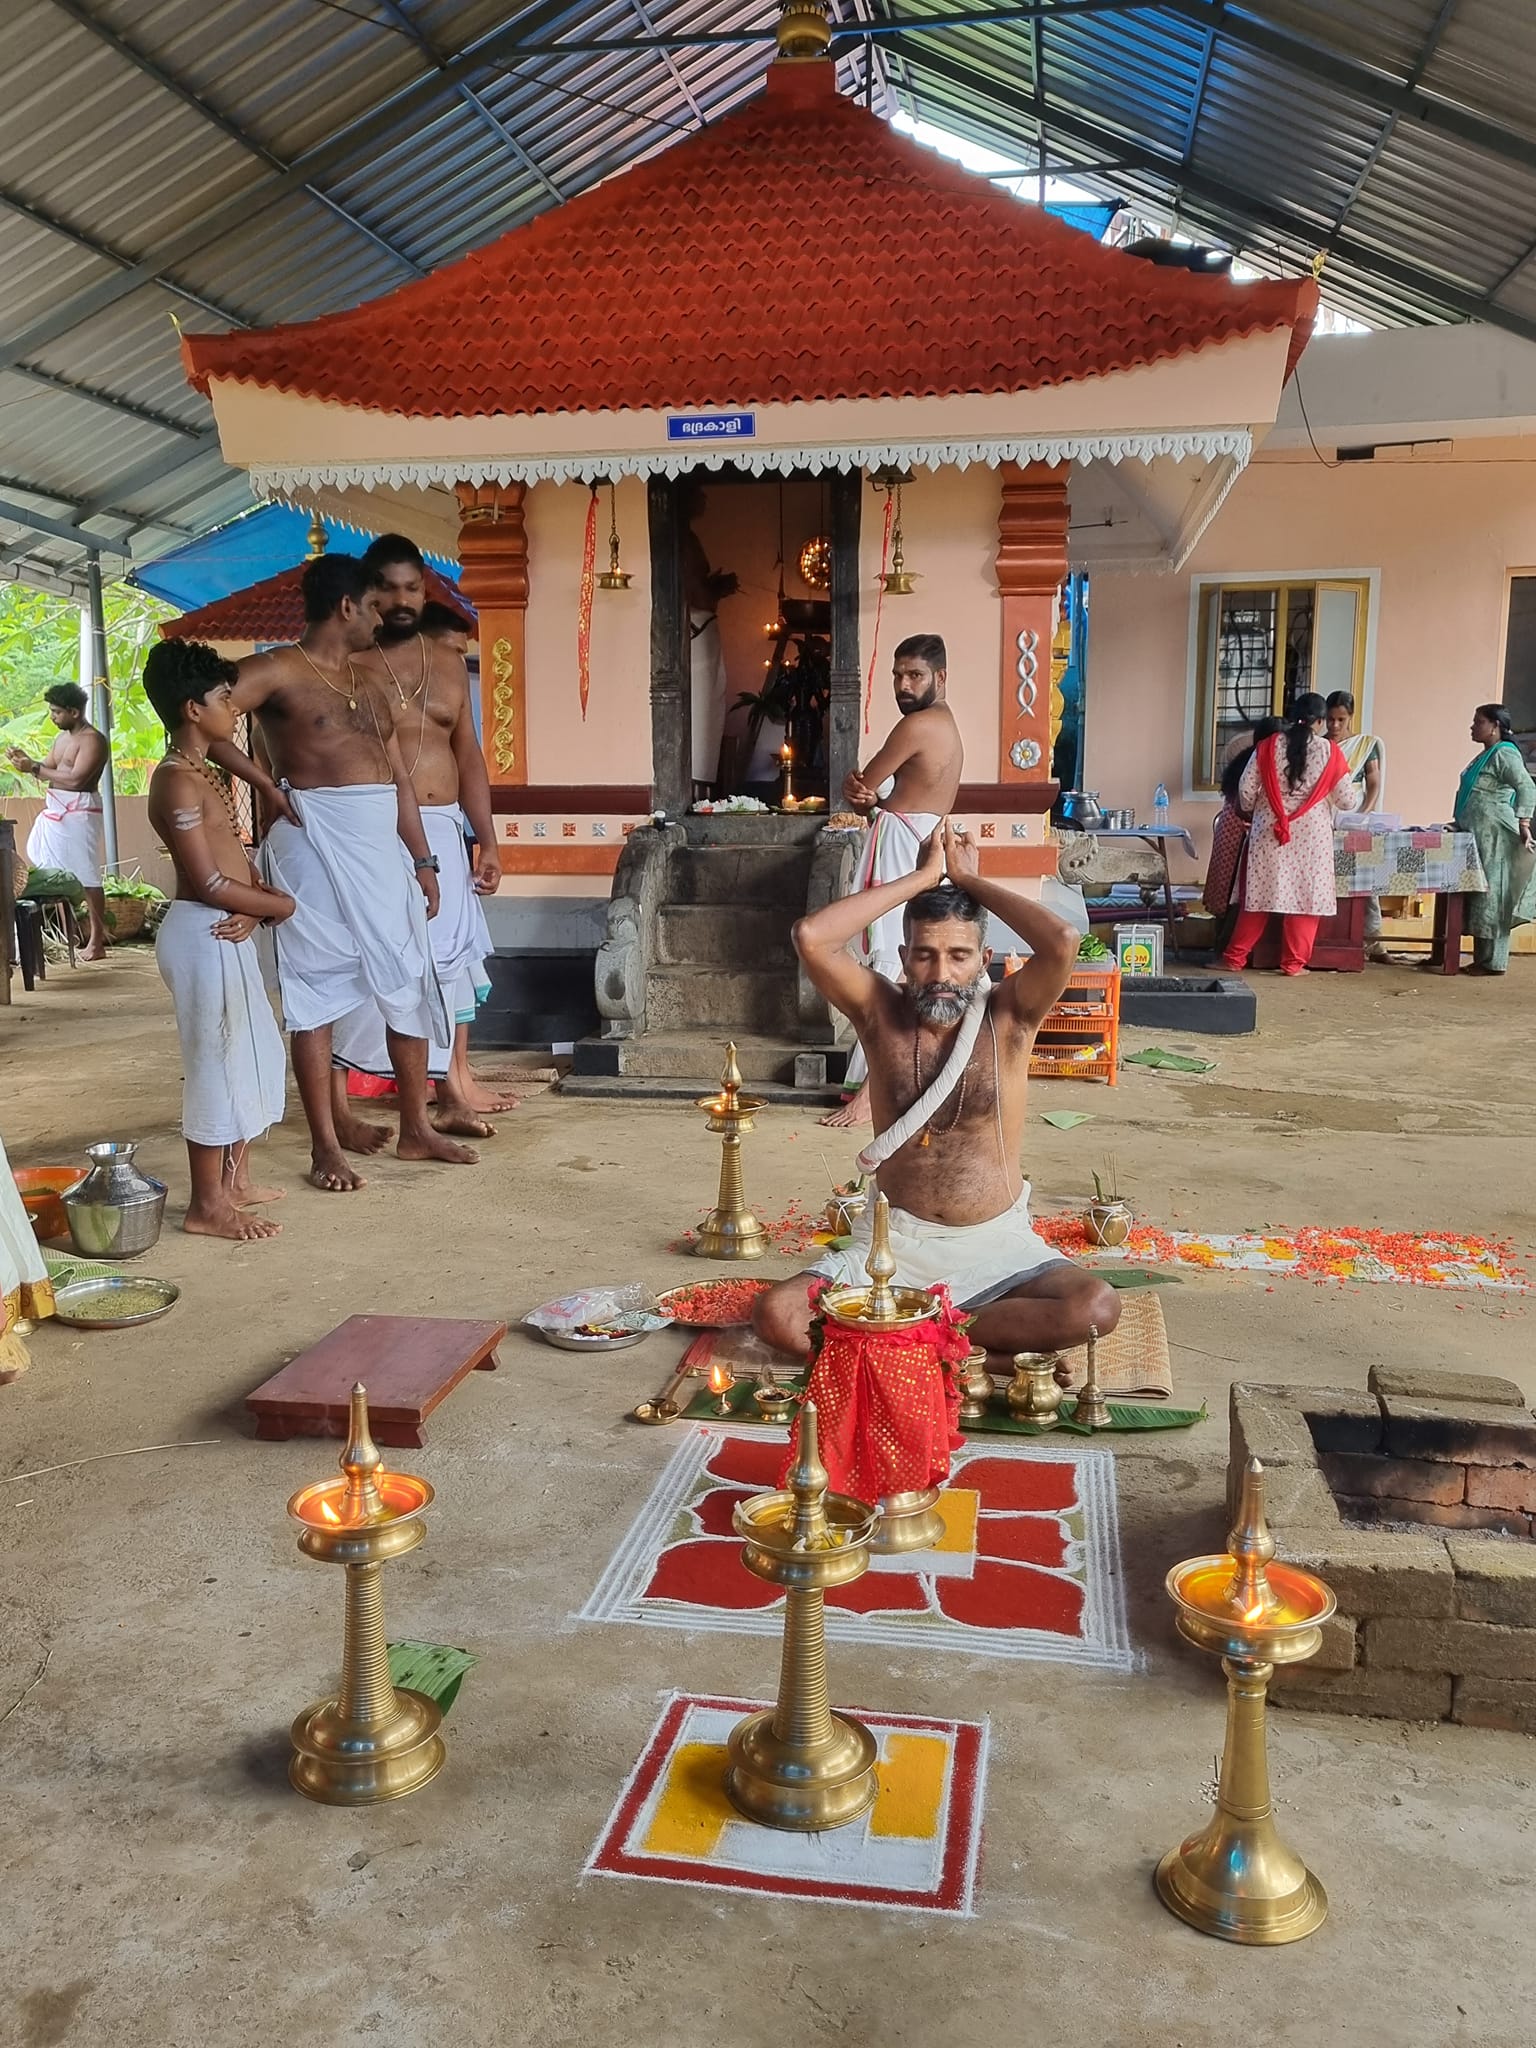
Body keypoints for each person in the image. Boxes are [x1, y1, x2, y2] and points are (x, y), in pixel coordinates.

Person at [755, 817, 1120, 1362]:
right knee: (776, 1315)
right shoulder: (880, 1014)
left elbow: (1063, 940)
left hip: (996, 1246)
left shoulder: (1011, 1017)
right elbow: (811, 937)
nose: (941, 972)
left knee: (1094, 1308)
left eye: (959, 955)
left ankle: (915, 1337)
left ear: (984, 961)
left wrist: (970, 880)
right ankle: (956, 1346)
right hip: (892, 1245)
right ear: (903, 960)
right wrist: (923, 878)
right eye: (924, 955)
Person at [210, 553, 476, 1192]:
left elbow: (400, 780)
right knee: (316, 991)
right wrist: (265, 787)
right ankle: (325, 1145)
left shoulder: (370, 683)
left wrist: (424, 859)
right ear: (347, 607)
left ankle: (416, 1128)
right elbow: (204, 719)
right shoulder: (275, 669)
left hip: (382, 844)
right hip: (313, 842)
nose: (384, 616)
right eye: (376, 605)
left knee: (407, 979)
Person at [329, 537, 513, 1136]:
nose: (401, 599)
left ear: (425, 590)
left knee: (447, 963)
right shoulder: (344, 666)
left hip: (445, 825)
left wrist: (487, 839)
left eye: (413, 587)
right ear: (367, 594)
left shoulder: (447, 661)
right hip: (372, 832)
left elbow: (470, 756)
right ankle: (343, 1100)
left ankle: (449, 1088)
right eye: (388, 588)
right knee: (370, 964)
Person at [143, 641, 293, 1243]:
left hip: (227, 922)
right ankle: (207, 1204)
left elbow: (231, 870)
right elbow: (206, 881)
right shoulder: (176, 782)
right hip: (201, 930)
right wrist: (280, 906)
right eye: (224, 698)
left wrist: (255, 912)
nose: (234, 707)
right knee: (214, 1062)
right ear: (192, 708)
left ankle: (233, 1181)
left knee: (248, 1050)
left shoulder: (202, 770)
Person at [819, 634, 965, 1130]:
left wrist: (862, 793)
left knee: (889, 958)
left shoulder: (917, 725)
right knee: (905, 955)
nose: (903, 685)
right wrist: (869, 794)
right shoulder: (945, 726)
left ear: (940, 678)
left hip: (905, 842)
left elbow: (863, 781)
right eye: (898, 676)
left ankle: (873, 1088)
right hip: (920, 837)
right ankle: (889, 1080)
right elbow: (877, 790)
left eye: (915, 675)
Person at [1222, 692, 1354, 976]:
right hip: (1312, 836)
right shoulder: (1330, 751)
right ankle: (1293, 964)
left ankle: (1235, 958)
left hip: (1268, 830)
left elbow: (1245, 792)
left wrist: (1260, 808)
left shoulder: (1268, 746)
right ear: (1319, 721)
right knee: (1305, 899)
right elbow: (1347, 801)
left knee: (1258, 896)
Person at [5, 682, 110, 958]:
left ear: (74, 712)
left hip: (79, 812)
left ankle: (97, 943)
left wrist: (36, 768)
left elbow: (77, 779)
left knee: (86, 875)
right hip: (57, 812)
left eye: (56, 712)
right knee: (59, 876)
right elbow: (48, 770)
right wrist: (26, 763)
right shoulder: (61, 739)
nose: (52, 717)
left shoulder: (93, 740)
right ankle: (71, 937)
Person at [1451, 704, 1536, 975]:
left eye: (1479, 722)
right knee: (1480, 895)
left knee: (1494, 896)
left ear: (1495, 726)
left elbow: (1526, 785)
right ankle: (1482, 959)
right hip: (1479, 834)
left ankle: (1494, 962)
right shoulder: (1486, 755)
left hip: (1496, 835)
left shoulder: (1504, 755)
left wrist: (1524, 822)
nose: (1473, 726)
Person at [1202, 715, 1284, 929]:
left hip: (1230, 827)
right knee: (1237, 890)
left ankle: (1221, 941)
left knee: (1227, 888)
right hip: (1241, 828)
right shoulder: (1260, 761)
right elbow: (1248, 800)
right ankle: (1228, 943)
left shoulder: (1246, 757)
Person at [681, 480, 738, 790]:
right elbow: (694, 591)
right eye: (698, 493)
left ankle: (702, 785)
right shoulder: (681, 542)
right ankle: (694, 788)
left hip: (702, 625)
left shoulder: (689, 539)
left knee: (710, 706)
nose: (704, 499)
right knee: (700, 709)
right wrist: (716, 588)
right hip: (695, 627)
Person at [1326, 689, 1388, 957]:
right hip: (1324, 816)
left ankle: (1372, 941)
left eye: (1341, 719)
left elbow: (1373, 783)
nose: (1335, 726)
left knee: (1365, 878)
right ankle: (1333, 940)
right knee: (1329, 879)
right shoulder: (1320, 745)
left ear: (1351, 717)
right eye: (1330, 720)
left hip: (1356, 816)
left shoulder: (1365, 745)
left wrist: (1362, 814)